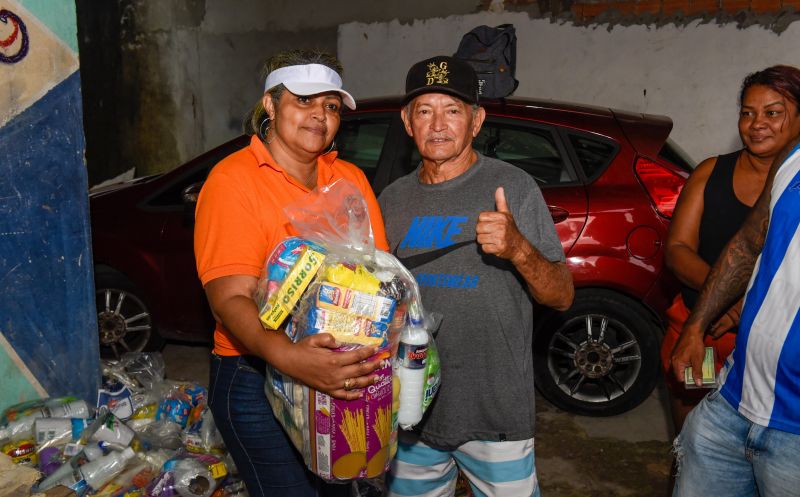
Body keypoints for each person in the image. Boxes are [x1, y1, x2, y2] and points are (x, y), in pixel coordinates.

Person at [193, 49, 389, 497]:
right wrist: (292, 358)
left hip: (339, 370)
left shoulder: (350, 180)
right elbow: (228, 299)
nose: (320, 115)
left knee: (340, 487)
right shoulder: (233, 180)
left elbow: (380, 276)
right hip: (254, 377)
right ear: (270, 104)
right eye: (304, 100)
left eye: (331, 106)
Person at [379, 55, 574, 497]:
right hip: (412, 409)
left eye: (453, 110)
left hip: (495, 410)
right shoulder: (391, 199)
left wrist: (518, 248)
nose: (438, 124)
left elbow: (560, 297)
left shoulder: (513, 186)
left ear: (477, 120)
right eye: (425, 111)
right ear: (408, 122)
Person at [670, 69, 800, 495]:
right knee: (691, 422)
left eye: (773, 112)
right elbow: (681, 250)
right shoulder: (716, 171)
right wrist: (717, 305)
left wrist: (751, 303)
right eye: (748, 113)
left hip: (777, 390)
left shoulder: (787, 172)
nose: (757, 123)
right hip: (715, 337)